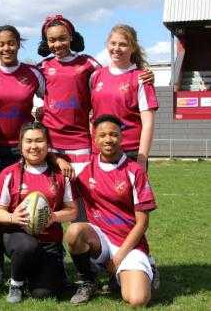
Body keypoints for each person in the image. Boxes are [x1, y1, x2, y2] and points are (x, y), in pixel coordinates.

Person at [36, 15, 154, 176]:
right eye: (52, 40)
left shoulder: (89, 65)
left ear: (71, 37)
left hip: (84, 142)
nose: (57, 44)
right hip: (51, 142)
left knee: (88, 194)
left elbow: (118, 74)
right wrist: (41, 109)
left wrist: (143, 73)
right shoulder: (41, 68)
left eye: (62, 38)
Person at [64, 114, 157, 307]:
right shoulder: (84, 169)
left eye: (113, 134)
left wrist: (120, 256)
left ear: (121, 137)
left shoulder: (135, 171)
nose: (108, 139)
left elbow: (143, 223)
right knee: (74, 232)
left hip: (129, 243)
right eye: (102, 135)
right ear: (94, 139)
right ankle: (89, 280)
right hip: (101, 241)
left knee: (137, 300)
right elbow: (60, 188)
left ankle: (143, 268)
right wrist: (58, 161)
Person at [0, 25, 45, 284]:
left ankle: (29, 257)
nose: (6, 48)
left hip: (23, 150)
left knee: (30, 203)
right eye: (1, 43)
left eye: (11, 43)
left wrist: (41, 117)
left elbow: (50, 100)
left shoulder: (32, 73)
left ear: (19, 44)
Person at [0, 121, 78, 303]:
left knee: (43, 294)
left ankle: (39, 270)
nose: (34, 146)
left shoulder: (61, 175)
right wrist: (12, 217)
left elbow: (72, 211)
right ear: (21, 144)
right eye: (28, 141)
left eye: (39, 141)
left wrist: (54, 217)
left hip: (49, 240)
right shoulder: (9, 173)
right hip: (18, 236)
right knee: (27, 247)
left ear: (48, 145)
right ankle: (15, 283)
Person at [89, 24, 158, 170]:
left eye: (123, 44)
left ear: (133, 48)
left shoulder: (142, 78)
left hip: (128, 153)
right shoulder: (96, 76)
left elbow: (148, 124)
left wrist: (141, 159)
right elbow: (92, 115)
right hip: (99, 152)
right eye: (113, 43)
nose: (117, 48)